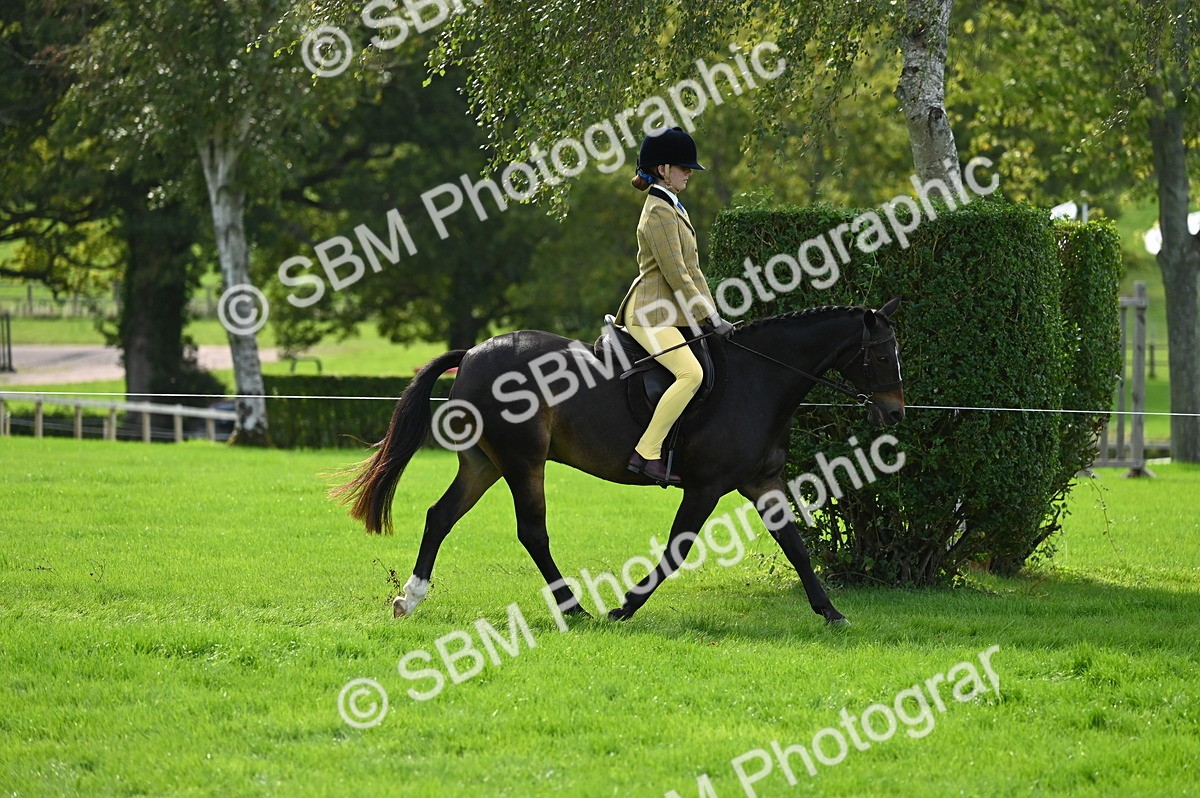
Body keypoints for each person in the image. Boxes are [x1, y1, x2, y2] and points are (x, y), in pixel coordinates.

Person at [614, 126, 735, 486]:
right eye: (683, 168)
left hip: (667, 311)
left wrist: (714, 316)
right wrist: (709, 318)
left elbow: (695, 272)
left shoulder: (673, 208)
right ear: (663, 169)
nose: (689, 174)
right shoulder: (658, 213)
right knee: (691, 374)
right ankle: (647, 452)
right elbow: (678, 275)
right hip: (649, 313)